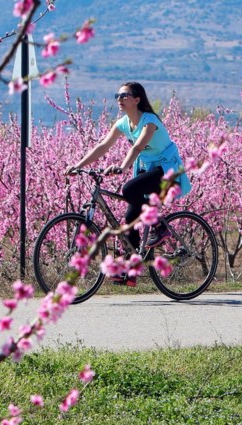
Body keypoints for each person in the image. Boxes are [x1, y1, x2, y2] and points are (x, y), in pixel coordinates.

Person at [64, 82, 191, 285]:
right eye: (118, 95)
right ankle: (131, 272)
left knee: (129, 188)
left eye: (124, 95)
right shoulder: (123, 123)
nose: (119, 99)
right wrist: (77, 165)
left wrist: (122, 167)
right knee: (130, 218)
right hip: (147, 169)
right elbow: (103, 145)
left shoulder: (150, 121)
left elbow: (139, 146)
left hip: (166, 168)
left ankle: (159, 227)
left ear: (137, 99)